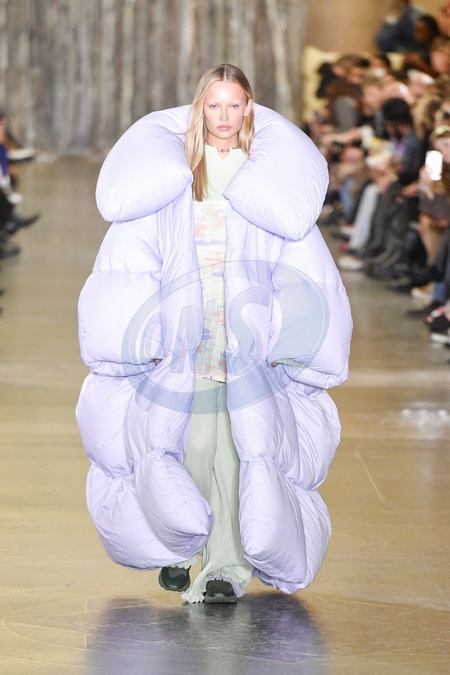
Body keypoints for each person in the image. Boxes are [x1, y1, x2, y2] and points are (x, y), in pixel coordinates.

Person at [76, 64, 352, 604]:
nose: (225, 116)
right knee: (188, 444)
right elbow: (131, 261)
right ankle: (181, 547)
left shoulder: (269, 180)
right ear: (199, 109)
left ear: (250, 108)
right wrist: (140, 338)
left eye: (235, 104)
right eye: (214, 105)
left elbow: (303, 269)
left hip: (246, 333)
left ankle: (227, 567)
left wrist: (292, 343)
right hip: (185, 331)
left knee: (238, 450)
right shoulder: (174, 172)